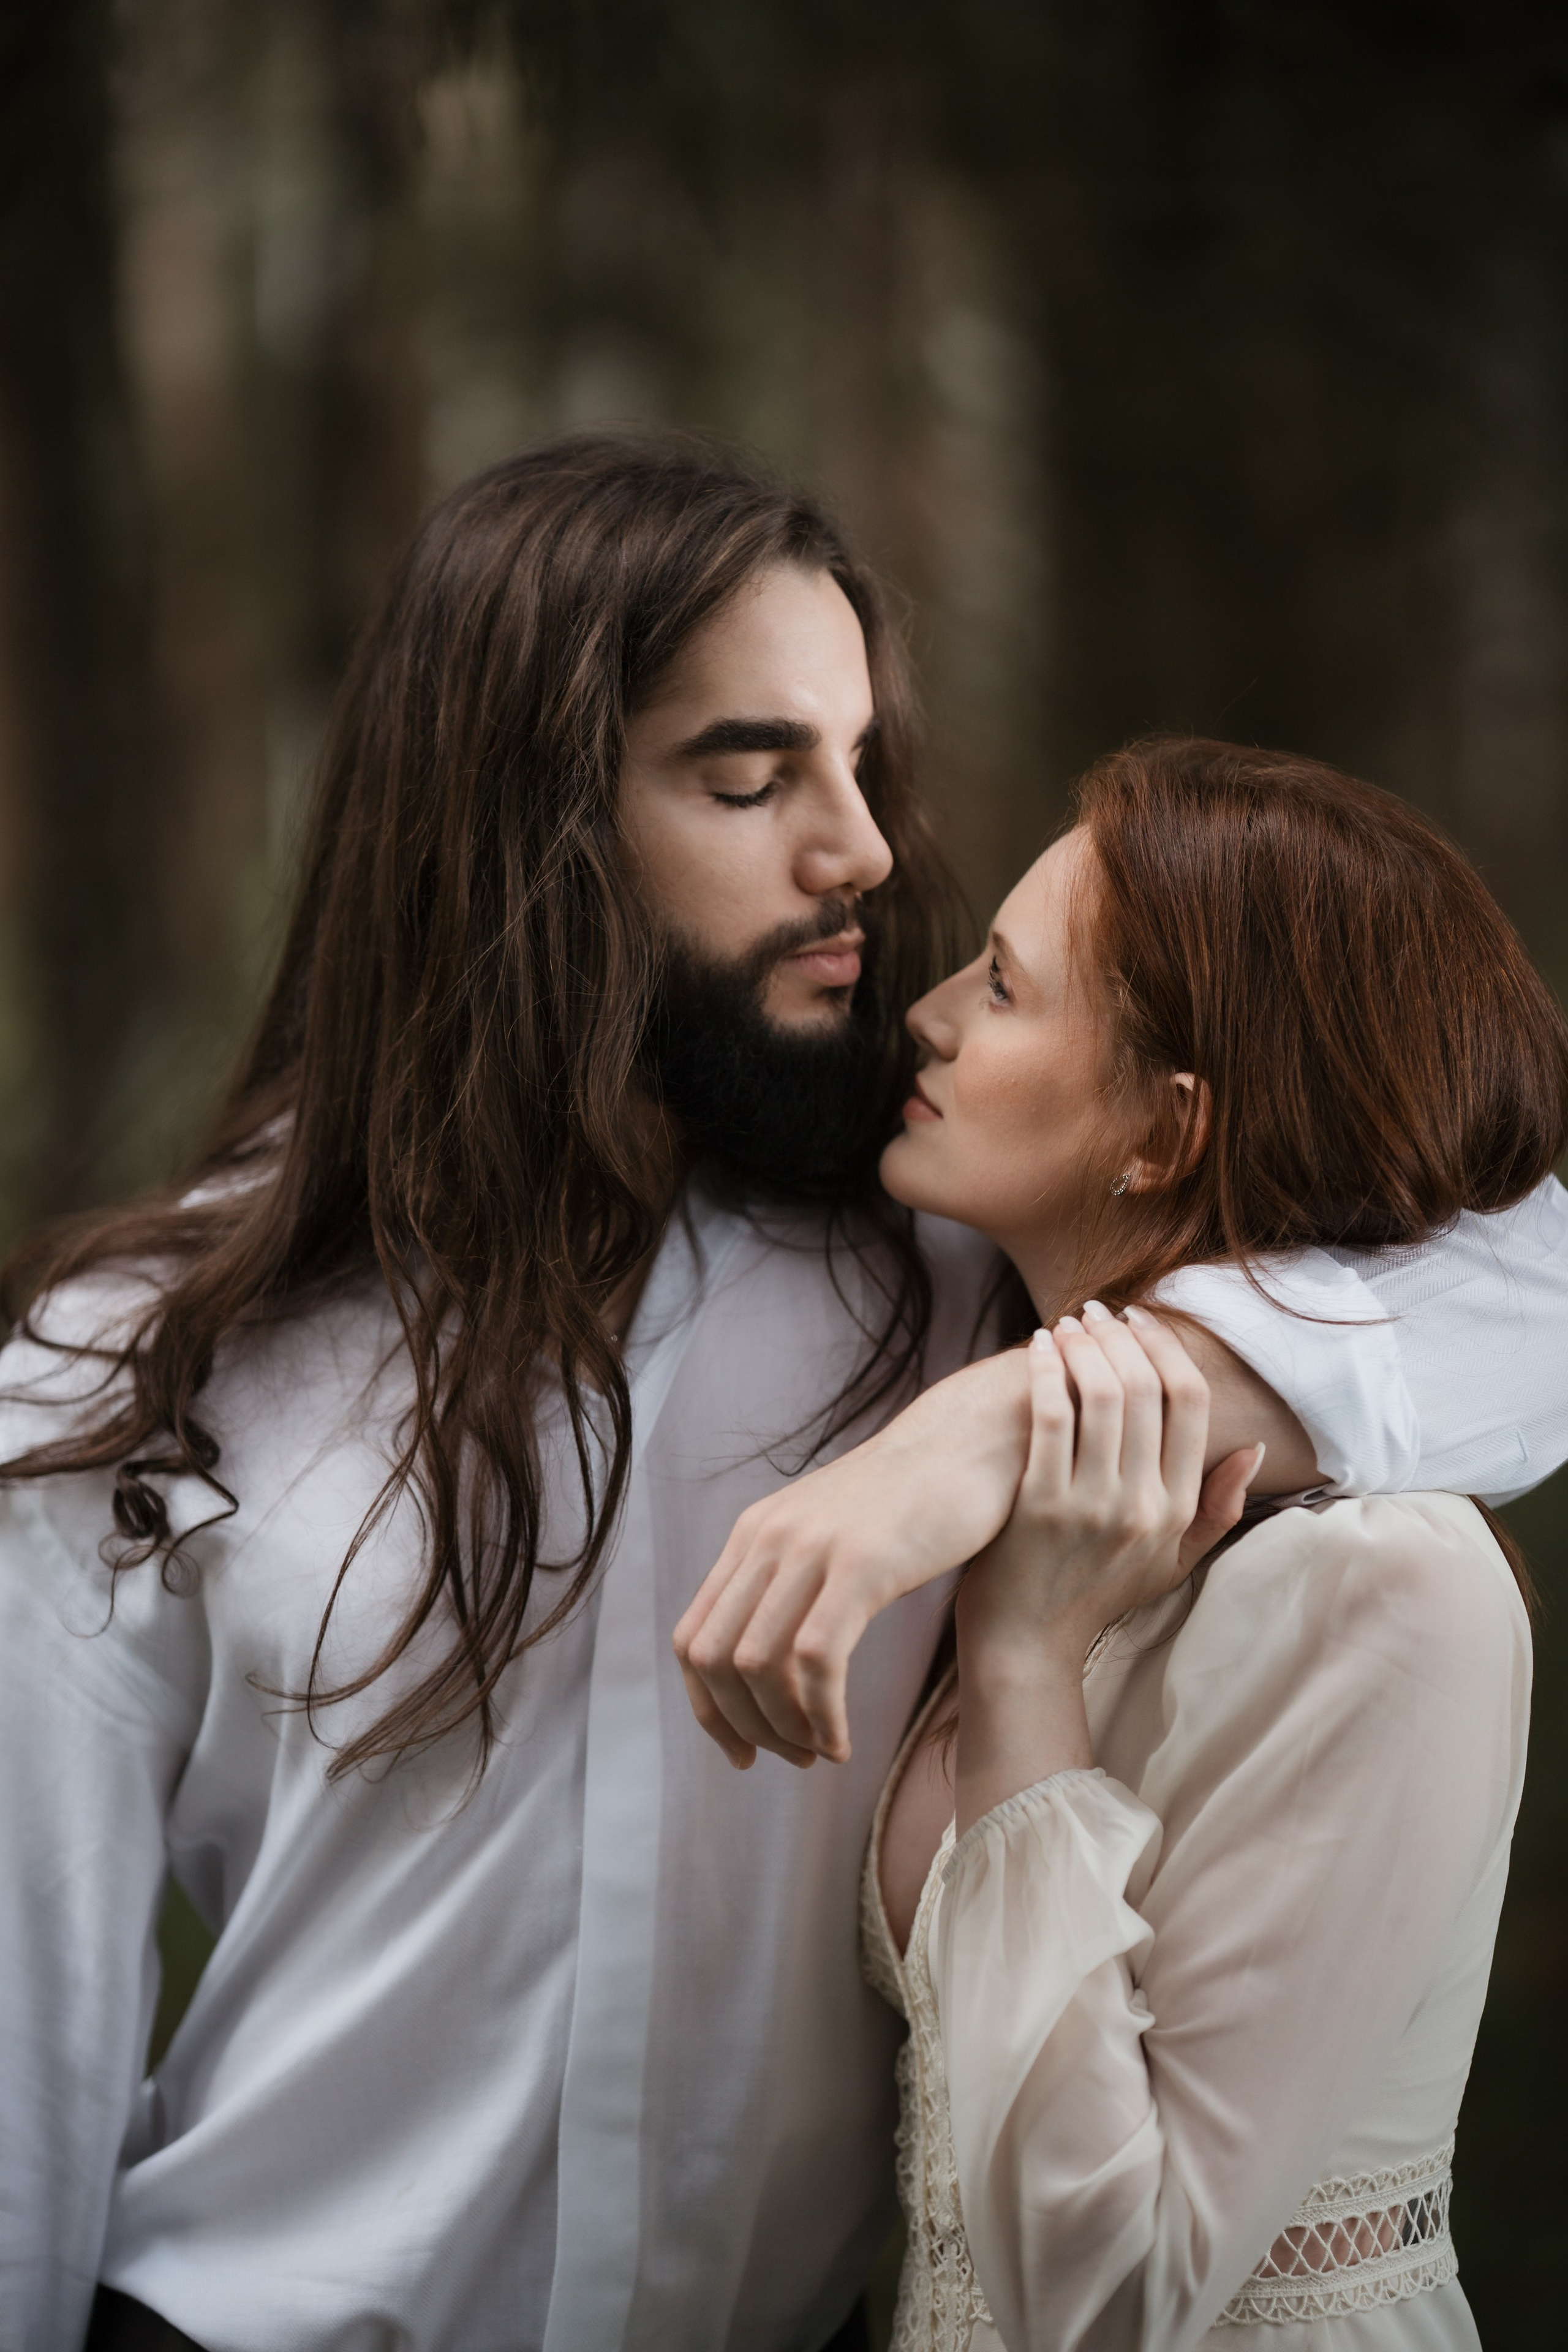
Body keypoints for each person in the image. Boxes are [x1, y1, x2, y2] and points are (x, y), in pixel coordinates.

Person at [0, 437, 1563, 2352]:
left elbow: (1520, 1287)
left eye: (858, 765)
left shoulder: (949, 1277)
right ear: (521, 824)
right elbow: (24, 2040)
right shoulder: (141, 1356)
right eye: (751, 778)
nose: (866, 855)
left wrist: (959, 1439)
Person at [676, 738, 1563, 2350]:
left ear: (1166, 1128)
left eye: (1005, 989)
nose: (928, 1014)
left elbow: (1109, 2304)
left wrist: (1024, 1667)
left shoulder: (1385, 1587)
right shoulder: (983, 1402)